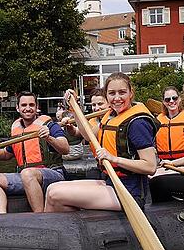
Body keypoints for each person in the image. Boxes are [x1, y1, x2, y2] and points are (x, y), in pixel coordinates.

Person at [44, 73, 157, 212]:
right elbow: (87, 135)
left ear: (131, 93)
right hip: (111, 181)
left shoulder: (137, 123)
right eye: (112, 93)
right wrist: (75, 109)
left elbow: (150, 166)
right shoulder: (110, 115)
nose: (117, 98)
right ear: (107, 95)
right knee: (52, 188)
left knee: (55, 195)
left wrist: (113, 158)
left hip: (130, 191)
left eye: (122, 92)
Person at [0, 91, 70, 213]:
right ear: (18, 108)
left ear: (37, 108)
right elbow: (6, 154)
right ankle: (2, 218)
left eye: (31, 105)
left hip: (53, 174)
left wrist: (49, 138)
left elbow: (65, 148)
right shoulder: (16, 129)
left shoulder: (50, 125)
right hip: (26, 177)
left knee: (27, 174)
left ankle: (41, 217)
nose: (28, 108)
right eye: (24, 105)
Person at [155, 86, 184, 161]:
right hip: (163, 163)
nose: (171, 101)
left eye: (174, 98)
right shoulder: (158, 120)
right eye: (167, 99)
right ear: (164, 102)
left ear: (180, 99)